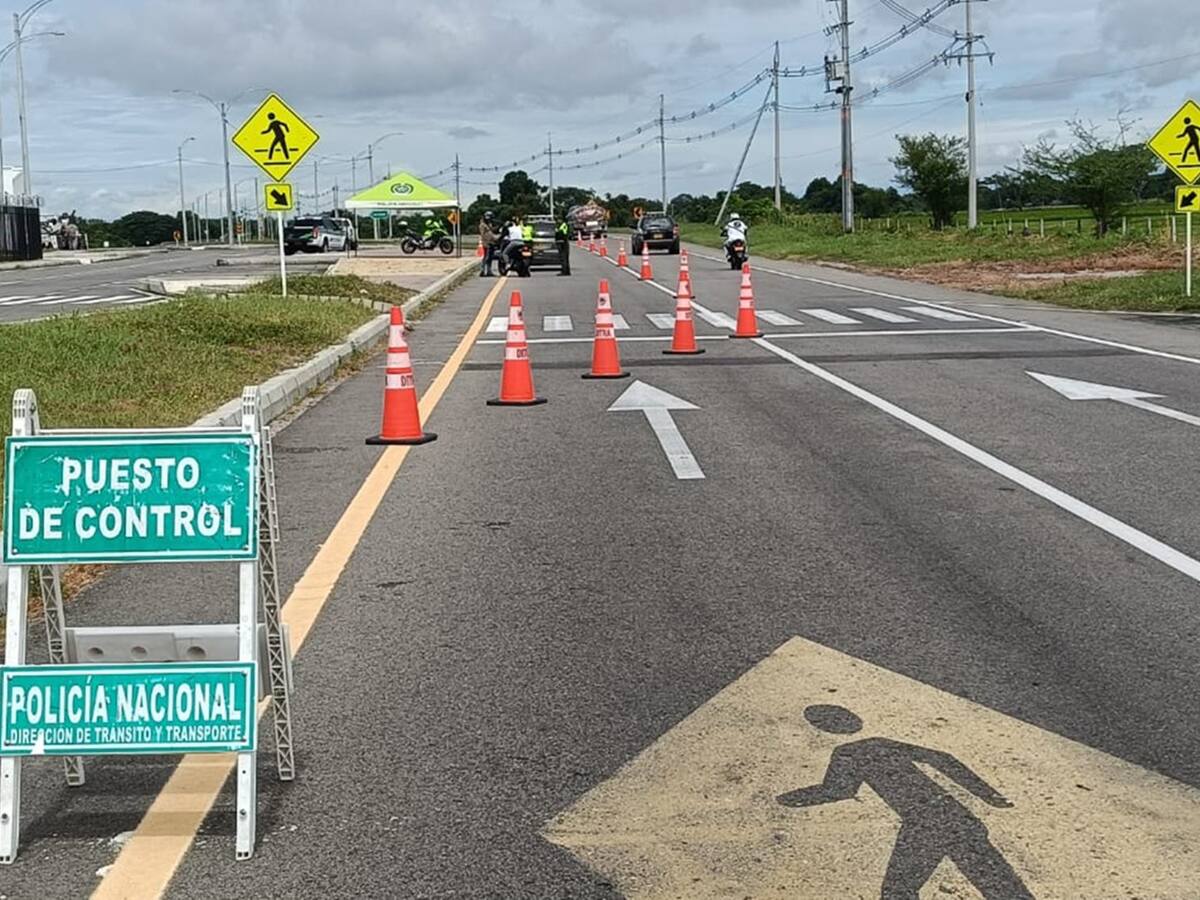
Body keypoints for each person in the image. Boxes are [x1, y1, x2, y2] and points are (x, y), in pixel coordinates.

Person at [479, 211, 498, 277]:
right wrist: (485, 242)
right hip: (486, 243)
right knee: (486, 257)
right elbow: (483, 234)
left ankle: (489, 271)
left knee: (490, 257)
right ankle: (483, 270)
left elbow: (491, 232)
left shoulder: (489, 224)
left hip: (491, 242)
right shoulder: (482, 225)